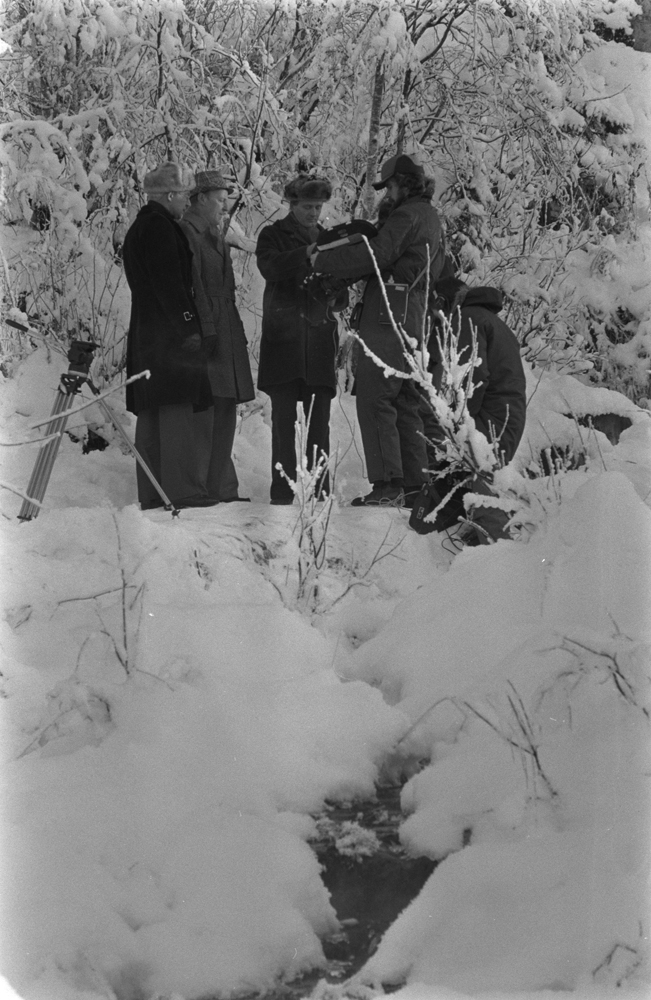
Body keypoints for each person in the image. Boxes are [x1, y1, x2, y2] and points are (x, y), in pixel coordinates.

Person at [313, 153, 445, 506]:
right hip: (413, 316)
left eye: (389, 186)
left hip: (389, 316)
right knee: (403, 401)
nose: (386, 194)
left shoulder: (406, 215)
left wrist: (324, 260)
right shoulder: (430, 216)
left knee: (374, 398)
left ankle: (388, 485)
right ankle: (413, 485)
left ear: (403, 184)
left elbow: (378, 254)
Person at [123, 161, 218, 510]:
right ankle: (182, 491)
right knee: (177, 409)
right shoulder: (161, 228)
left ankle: (152, 494)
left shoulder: (140, 227)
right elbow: (171, 285)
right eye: (184, 195)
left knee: (151, 414)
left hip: (147, 335)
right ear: (170, 195)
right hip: (169, 336)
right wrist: (189, 326)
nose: (187, 202)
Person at [256, 173, 347, 505]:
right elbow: (269, 267)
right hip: (285, 343)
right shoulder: (273, 235)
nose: (313, 213)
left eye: (318, 206)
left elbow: (342, 297)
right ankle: (282, 493)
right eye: (308, 206)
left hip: (319, 341)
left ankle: (320, 493)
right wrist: (305, 255)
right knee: (282, 424)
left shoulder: (327, 238)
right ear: (292, 204)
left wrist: (334, 291)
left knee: (319, 425)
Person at [414, 276, 527, 541]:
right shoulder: (489, 320)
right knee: (481, 477)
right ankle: (485, 540)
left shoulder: (467, 320)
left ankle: (497, 550)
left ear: (443, 302)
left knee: (479, 478)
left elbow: (466, 381)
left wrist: (454, 424)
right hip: (505, 416)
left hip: (488, 420)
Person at [179, 169, 255, 502]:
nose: (225, 207)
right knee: (206, 409)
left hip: (226, 328)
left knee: (225, 407)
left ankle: (221, 488)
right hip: (207, 328)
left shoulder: (215, 232)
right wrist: (205, 328)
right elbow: (192, 285)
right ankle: (201, 488)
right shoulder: (187, 232)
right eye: (220, 200)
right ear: (202, 198)